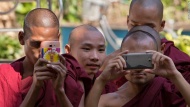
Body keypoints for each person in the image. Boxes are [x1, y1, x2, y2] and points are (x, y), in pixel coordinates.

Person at [0, 8, 88, 107]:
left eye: (49, 45)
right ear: (21, 38)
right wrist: (35, 88)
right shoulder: (4, 76)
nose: (42, 53)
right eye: (36, 44)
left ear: (58, 39)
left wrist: (60, 91)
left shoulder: (70, 71)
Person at [85, 25, 190, 107]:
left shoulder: (168, 92)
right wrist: (102, 79)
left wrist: (175, 75)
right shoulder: (108, 101)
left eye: (145, 59)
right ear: (121, 56)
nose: (139, 68)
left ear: (160, 53)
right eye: (133, 59)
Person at [114, 0, 190, 87]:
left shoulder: (179, 61)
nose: (141, 31)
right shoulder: (115, 60)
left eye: (149, 27)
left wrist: (175, 76)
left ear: (162, 25)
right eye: (134, 25)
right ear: (128, 21)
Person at [64, 24, 117, 105]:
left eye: (101, 50)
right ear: (68, 50)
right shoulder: (62, 78)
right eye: (87, 49)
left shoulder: (106, 83)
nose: (95, 57)